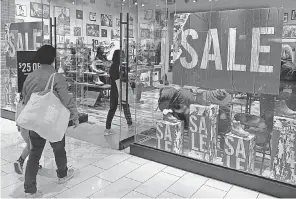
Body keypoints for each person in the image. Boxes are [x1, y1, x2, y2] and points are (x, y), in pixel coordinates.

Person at [21, 45, 79, 198]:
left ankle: (30, 190)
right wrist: (75, 115)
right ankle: (62, 175)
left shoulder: (30, 76)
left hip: (36, 121)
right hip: (53, 119)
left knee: (34, 153)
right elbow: (66, 99)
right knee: (59, 148)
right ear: (53, 58)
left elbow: (26, 99)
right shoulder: (56, 76)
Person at [105, 50, 133, 135]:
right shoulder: (118, 66)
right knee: (124, 106)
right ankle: (130, 124)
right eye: (122, 55)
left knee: (113, 108)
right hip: (119, 88)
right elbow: (121, 78)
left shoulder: (114, 66)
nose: (124, 56)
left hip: (115, 88)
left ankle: (108, 128)